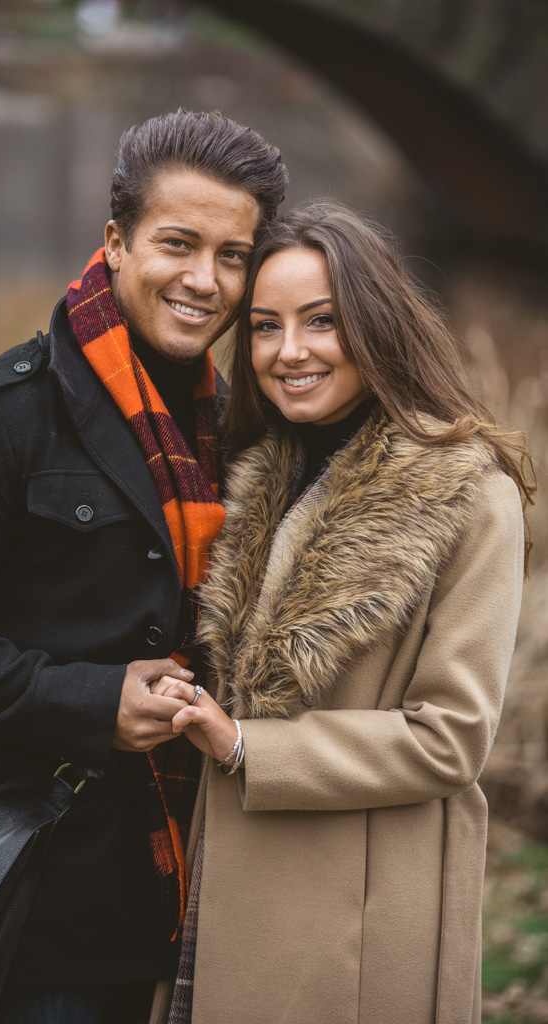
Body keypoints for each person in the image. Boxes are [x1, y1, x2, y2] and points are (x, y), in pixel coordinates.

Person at [0, 109, 288, 1024]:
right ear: (116, 241)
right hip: (38, 886)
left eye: (232, 255)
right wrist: (89, 702)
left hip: (217, 871)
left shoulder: (251, 431)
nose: (203, 280)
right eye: (178, 244)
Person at [151, 200, 534, 1024]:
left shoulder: (469, 494)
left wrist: (249, 743)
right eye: (262, 326)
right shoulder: (246, 472)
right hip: (214, 888)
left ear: (376, 326)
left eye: (320, 321)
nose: (289, 352)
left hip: (353, 915)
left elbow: (451, 736)